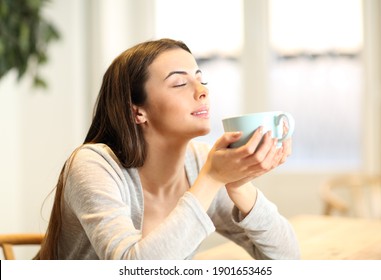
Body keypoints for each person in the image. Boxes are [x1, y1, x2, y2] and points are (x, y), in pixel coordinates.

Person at [36, 38, 300, 260]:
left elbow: (288, 258)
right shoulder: (93, 165)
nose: (202, 92)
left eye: (200, 79)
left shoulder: (200, 162)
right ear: (137, 111)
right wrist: (212, 179)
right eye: (179, 83)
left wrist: (240, 186)